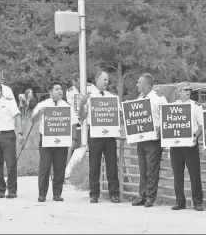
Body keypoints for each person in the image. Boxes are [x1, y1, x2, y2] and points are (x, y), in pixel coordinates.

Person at [78, 71, 121, 204]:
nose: (107, 82)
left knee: (112, 165)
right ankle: (94, 194)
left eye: (108, 80)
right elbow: (82, 118)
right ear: (97, 80)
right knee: (94, 164)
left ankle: (114, 194)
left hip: (109, 135)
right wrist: (81, 105)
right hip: (95, 135)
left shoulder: (112, 97)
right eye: (104, 79)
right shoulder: (89, 97)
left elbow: (118, 113)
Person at [31, 81, 76, 202]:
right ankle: (42, 194)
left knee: (59, 168)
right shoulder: (43, 104)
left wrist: (74, 139)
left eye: (61, 89)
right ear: (50, 92)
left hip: (62, 141)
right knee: (44, 168)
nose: (60, 91)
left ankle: (57, 193)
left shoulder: (67, 106)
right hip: (46, 142)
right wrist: (39, 113)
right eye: (57, 89)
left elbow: (73, 124)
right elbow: (33, 119)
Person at [131, 73, 168, 208]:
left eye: (139, 82)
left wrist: (160, 130)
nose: (137, 85)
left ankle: (150, 197)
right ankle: (142, 195)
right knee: (143, 168)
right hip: (141, 138)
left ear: (146, 84)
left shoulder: (159, 99)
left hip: (153, 139)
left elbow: (167, 117)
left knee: (151, 169)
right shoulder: (139, 97)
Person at [170, 82, 204, 211]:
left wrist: (197, 135)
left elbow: (201, 124)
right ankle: (180, 202)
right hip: (176, 146)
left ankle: (197, 202)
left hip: (191, 145)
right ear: (179, 92)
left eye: (190, 90)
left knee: (195, 174)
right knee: (177, 175)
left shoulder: (196, 106)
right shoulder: (172, 107)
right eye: (185, 90)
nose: (188, 91)